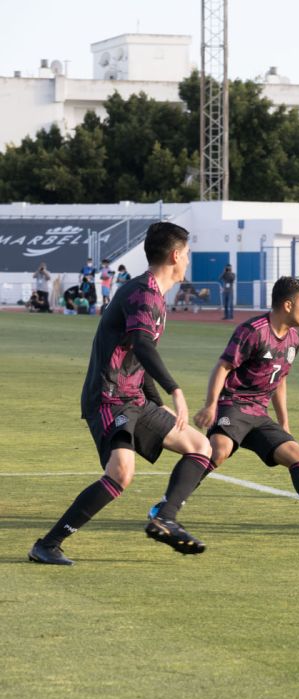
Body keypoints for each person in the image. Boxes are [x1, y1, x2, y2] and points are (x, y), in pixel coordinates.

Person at [29, 222, 214, 566]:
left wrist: (155, 406)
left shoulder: (154, 296)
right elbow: (142, 345)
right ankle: (48, 545)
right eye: (187, 254)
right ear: (175, 255)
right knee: (121, 473)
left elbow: (134, 355)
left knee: (200, 446)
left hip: (135, 399)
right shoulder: (142, 293)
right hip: (108, 397)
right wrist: (175, 390)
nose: (188, 260)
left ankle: (166, 518)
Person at [183, 277, 299, 528]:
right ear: (288, 305)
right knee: (218, 450)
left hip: (259, 413)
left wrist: (284, 424)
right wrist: (211, 405)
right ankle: (167, 504)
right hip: (233, 404)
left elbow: (280, 380)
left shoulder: (294, 340)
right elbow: (223, 366)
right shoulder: (253, 330)